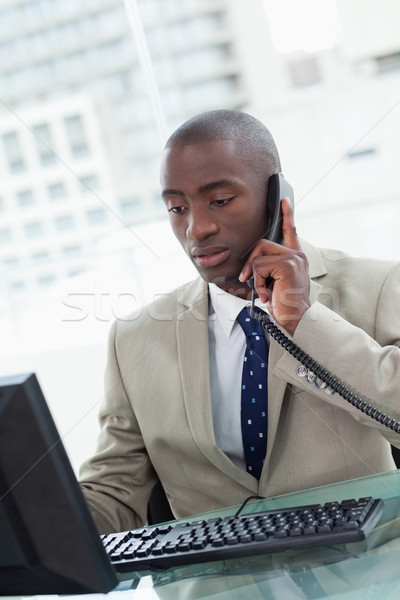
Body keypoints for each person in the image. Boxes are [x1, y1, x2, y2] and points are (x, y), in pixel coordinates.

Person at [79, 109, 400, 534]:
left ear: (276, 199)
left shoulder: (376, 288)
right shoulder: (135, 339)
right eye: (177, 207)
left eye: (220, 200)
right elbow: (112, 496)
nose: (196, 228)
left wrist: (304, 320)